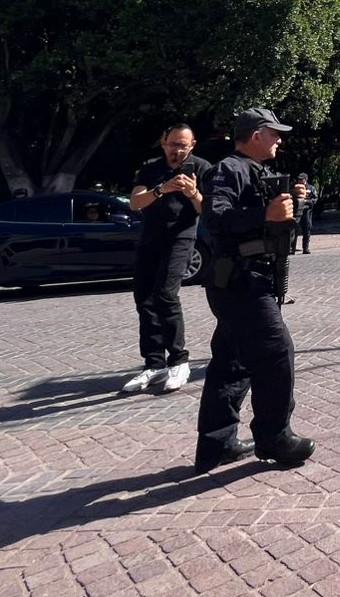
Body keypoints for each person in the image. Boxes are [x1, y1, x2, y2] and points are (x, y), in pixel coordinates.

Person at [193, 107, 314, 475]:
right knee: (276, 352)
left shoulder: (258, 171)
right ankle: (275, 437)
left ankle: (217, 444)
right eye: (274, 133)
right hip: (240, 282)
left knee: (232, 364)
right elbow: (214, 216)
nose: (279, 140)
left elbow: (275, 220)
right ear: (257, 134)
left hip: (249, 280)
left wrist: (295, 202)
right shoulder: (228, 169)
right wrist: (265, 213)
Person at [122, 124, 211, 395]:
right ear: (163, 143)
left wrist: (192, 193)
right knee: (144, 298)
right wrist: (162, 189)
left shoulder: (201, 168)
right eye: (173, 144)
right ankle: (154, 363)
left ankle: (179, 361)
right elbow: (135, 202)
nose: (177, 150)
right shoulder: (151, 168)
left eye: (183, 145)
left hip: (180, 238)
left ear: (192, 145)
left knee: (165, 294)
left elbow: (208, 210)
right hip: (150, 238)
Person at [292, 173, 317, 254]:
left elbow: (315, 199)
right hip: (296, 212)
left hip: (306, 212)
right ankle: (292, 248)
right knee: (293, 230)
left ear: (305, 180)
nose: (299, 181)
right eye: (298, 179)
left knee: (306, 230)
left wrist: (307, 201)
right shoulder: (295, 187)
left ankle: (305, 248)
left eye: (301, 179)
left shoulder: (311, 188)